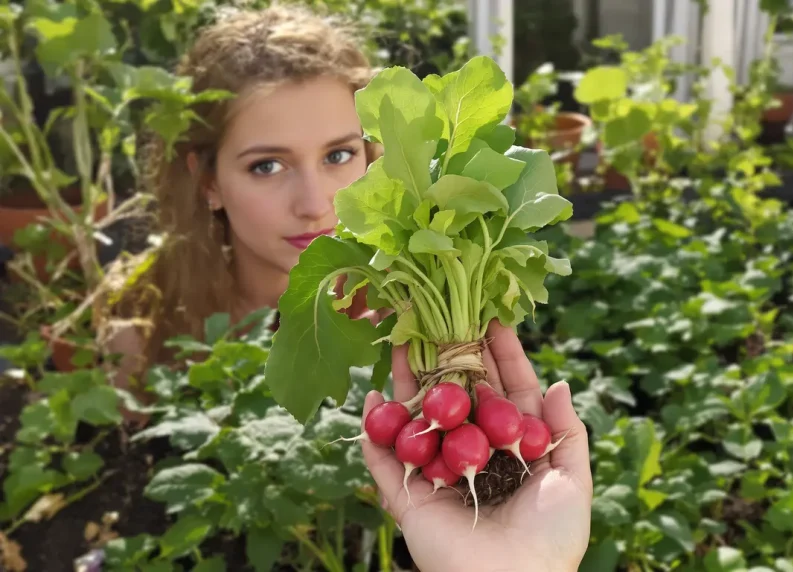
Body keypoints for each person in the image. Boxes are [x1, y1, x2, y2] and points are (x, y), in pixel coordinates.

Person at [103, 4, 593, 571]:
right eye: (267, 166)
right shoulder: (139, 339)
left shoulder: (427, 336)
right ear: (207, 181)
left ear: (374, 157)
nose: (315, 204)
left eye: (339, 155)